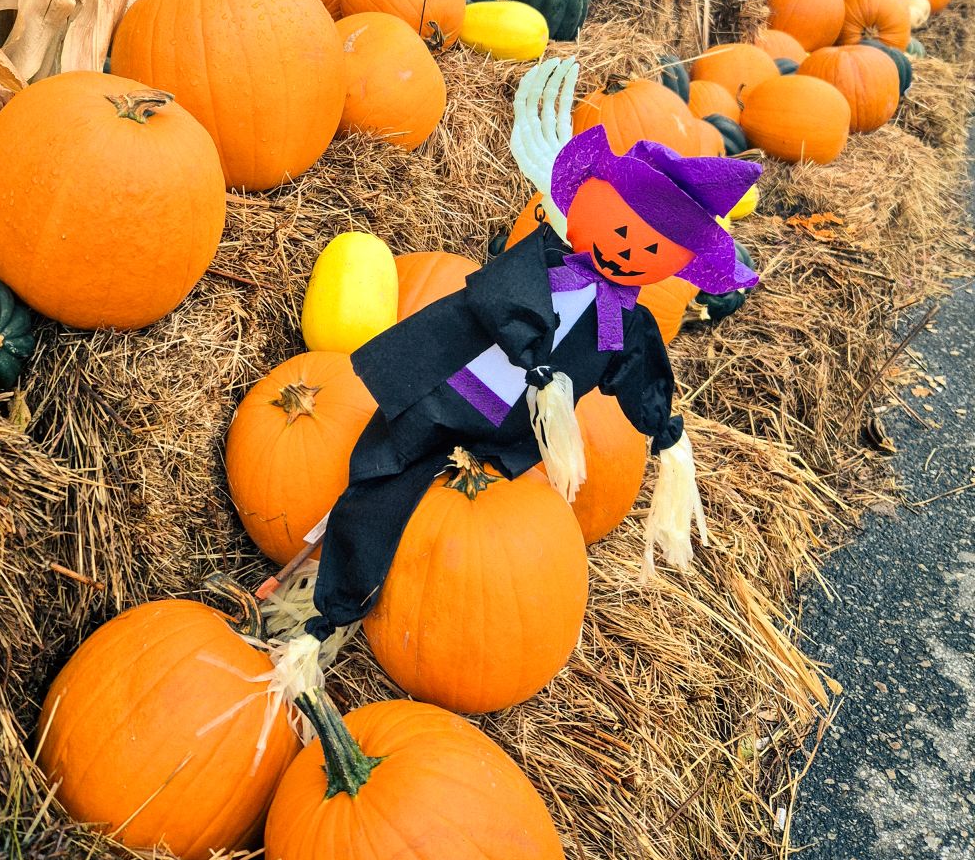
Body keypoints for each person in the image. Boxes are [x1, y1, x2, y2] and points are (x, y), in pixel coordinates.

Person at [304, 57, 760, 643]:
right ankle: (327, 610)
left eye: (647, 248)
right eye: (619, 232)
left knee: (458, 518)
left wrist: (664, 432)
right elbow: (498, 299)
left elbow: (636, 371)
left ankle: (350, 590)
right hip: (449, 389)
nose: (624, 253)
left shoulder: (625, 322)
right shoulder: (544, 262)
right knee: (383, 472)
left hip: (503, 436)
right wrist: (536, 363)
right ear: (592, 213)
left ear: (675, 261)